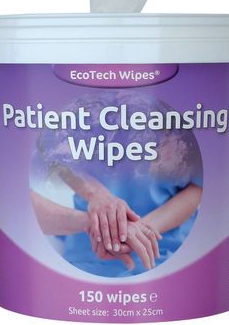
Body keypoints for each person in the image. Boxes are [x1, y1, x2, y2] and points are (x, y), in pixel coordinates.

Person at [30, 91, 204, 277]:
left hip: (166, 243)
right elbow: (56, 155)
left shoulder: (185, 105)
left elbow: (197, 187)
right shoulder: (84, 102)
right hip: (92, 246)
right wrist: (97, 196)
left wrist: (137, 231)